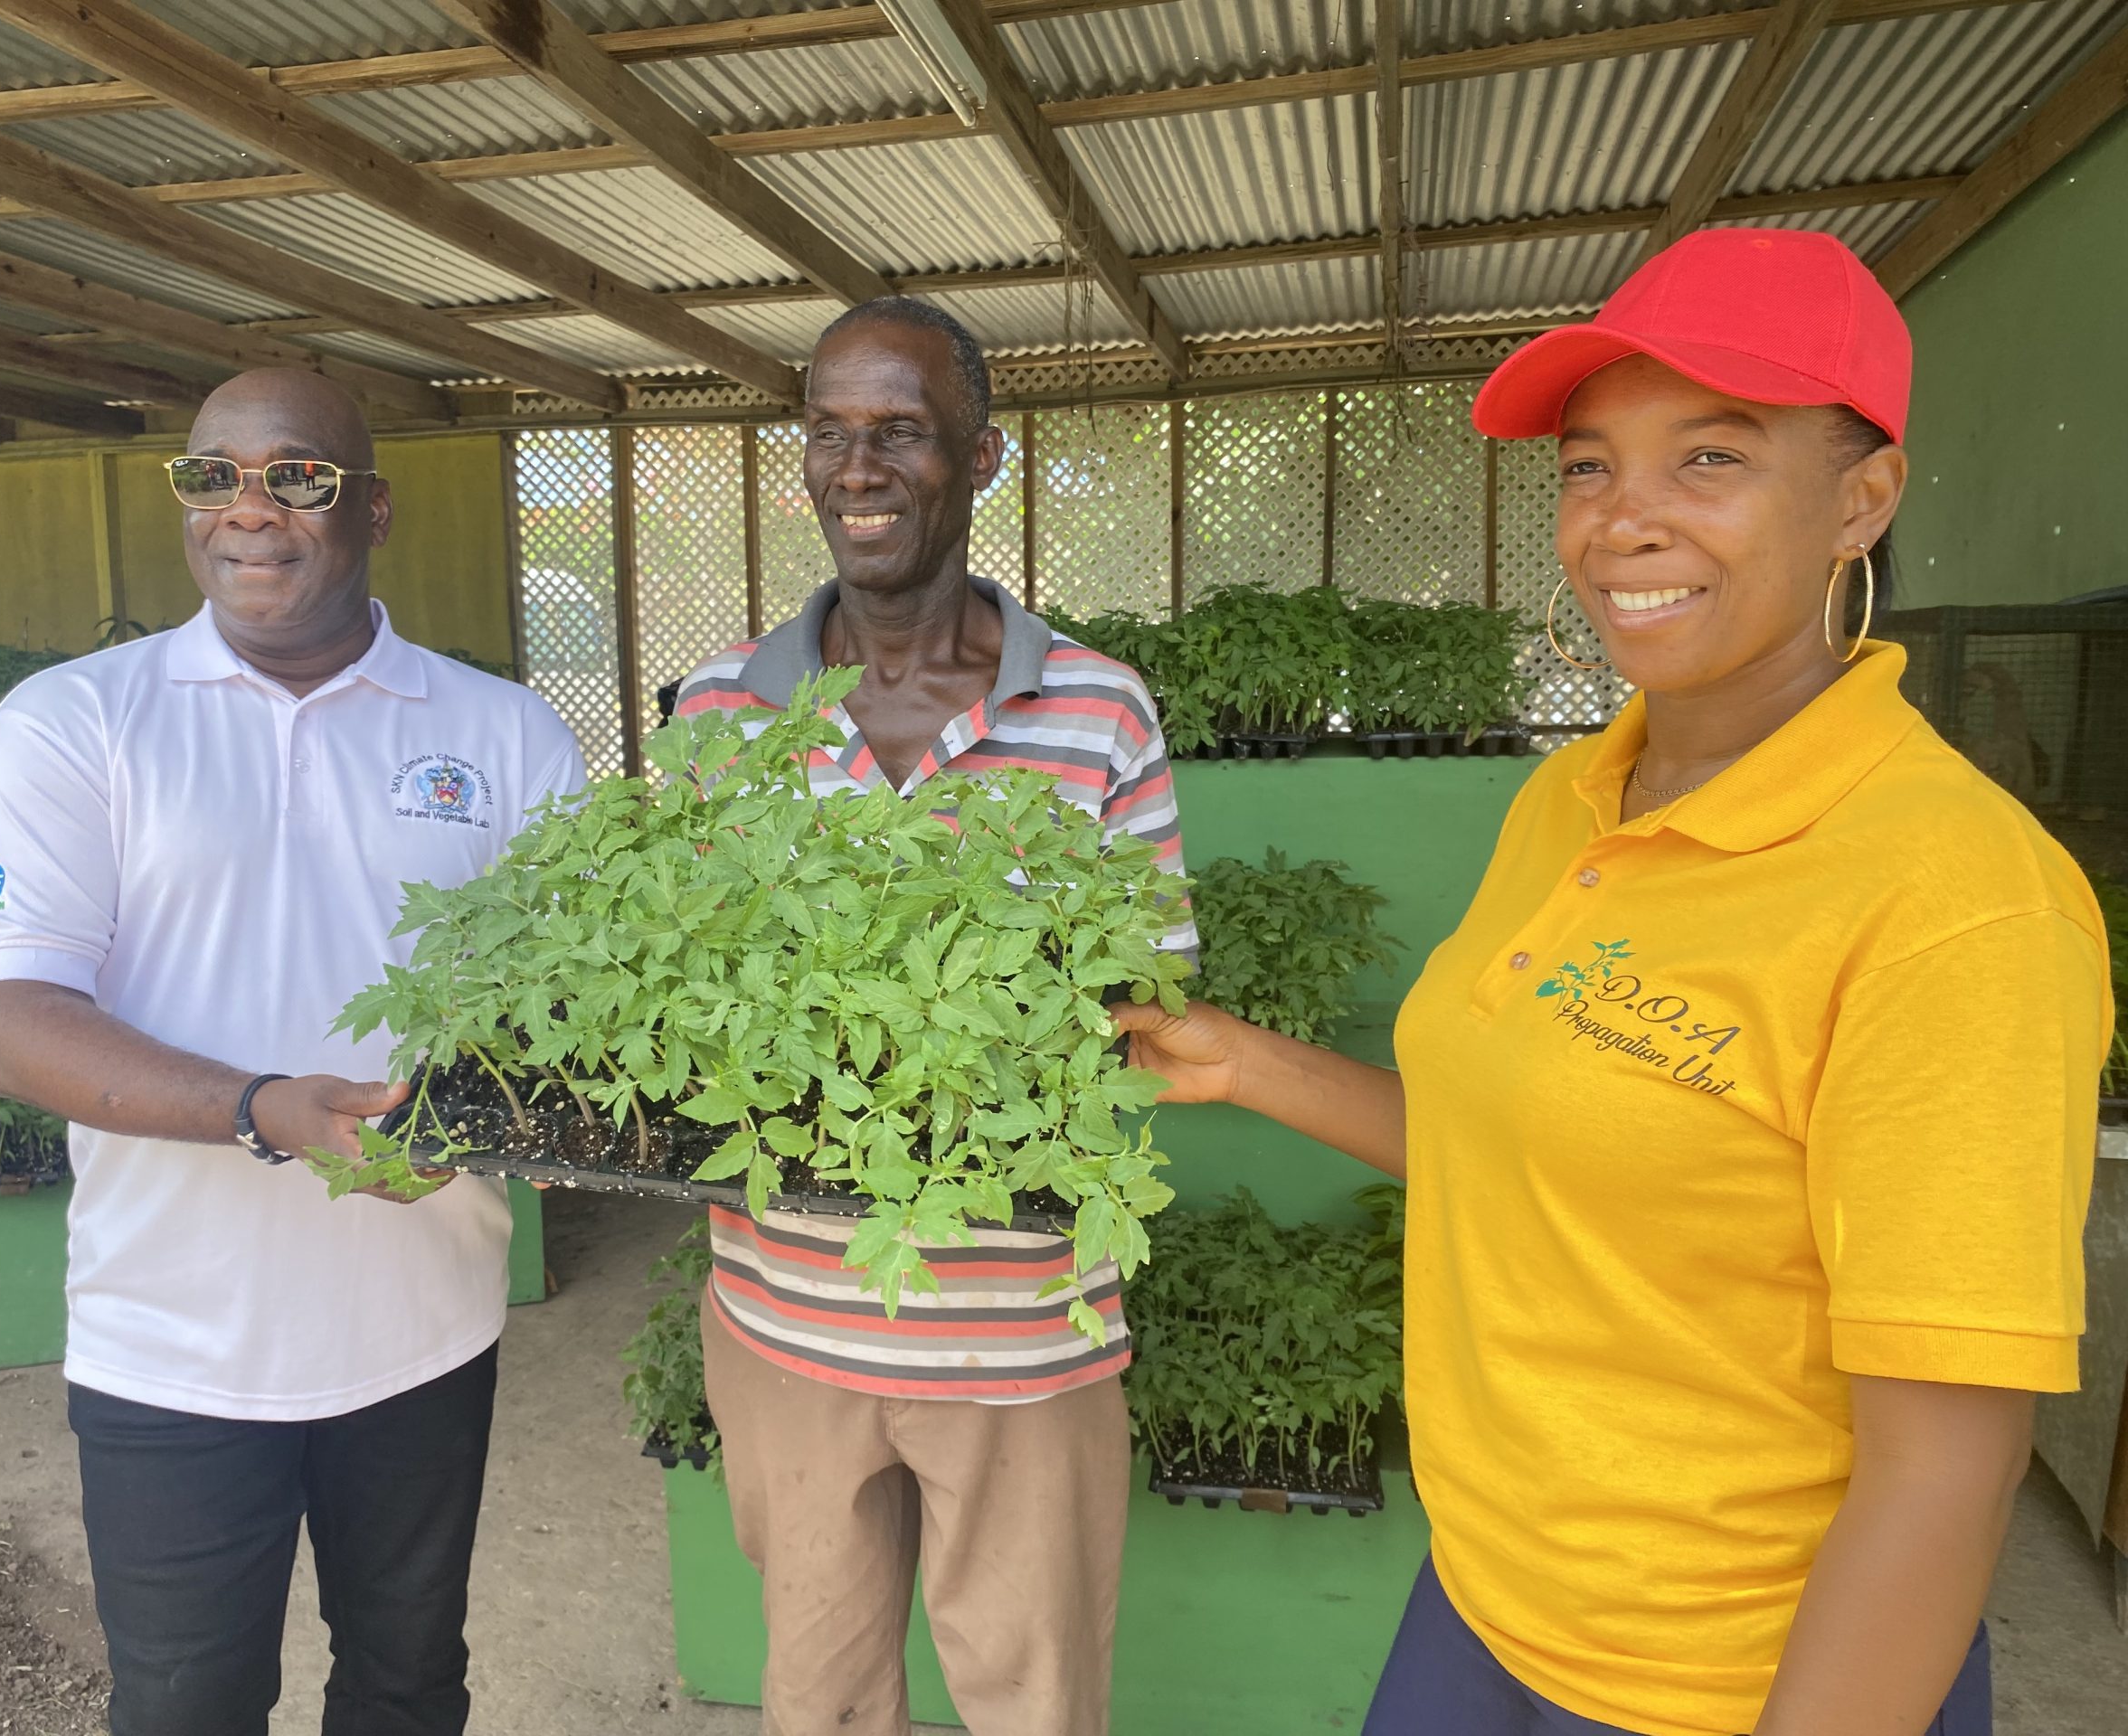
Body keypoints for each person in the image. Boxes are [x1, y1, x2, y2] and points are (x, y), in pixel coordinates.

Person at [1114, 229, 2113, 1736]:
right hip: (1484, 1605)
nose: (1622, 519)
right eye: (1590, 467)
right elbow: (1528, 1142)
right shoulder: (1577, 796)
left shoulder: (1956, 903)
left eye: (1709, 457)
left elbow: (1946, 1472)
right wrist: (1241, 1064)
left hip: (1726, 1684)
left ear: (1864, 497)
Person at [0, 368, 584, 1736]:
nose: (251, 512)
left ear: (372, 507)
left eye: (296, 477)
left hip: (422, 1330)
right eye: (213, 478)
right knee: (188, 1707)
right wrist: (262, 1110)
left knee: (410, 1689)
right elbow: (9, 1019)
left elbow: (568, 1011)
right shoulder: (76, 722)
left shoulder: (503, 734)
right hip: (170, 1342)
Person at [669, 297, 1197, 1736]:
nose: (860, 467)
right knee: (820, 1701)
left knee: (1033, 1704)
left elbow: (1148, 1000)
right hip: (786, 1331)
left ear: (982, 457)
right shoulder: (723, 712)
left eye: (900, 430)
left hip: (1022, 1338)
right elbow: (671, 992)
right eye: (830, 434)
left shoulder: (1096, 709)